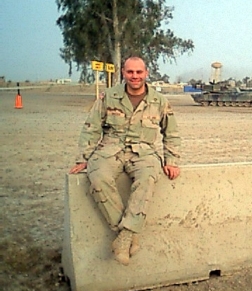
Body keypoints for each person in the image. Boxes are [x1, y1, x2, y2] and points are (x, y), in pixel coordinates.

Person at [69, 56, 181, 266]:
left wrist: (171, 160)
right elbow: (91, 127)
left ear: (146, 73)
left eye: (139, 72)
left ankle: (125, 236)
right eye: (130, 72)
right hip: (110, 149)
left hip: (144, 151)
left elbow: (172, 132)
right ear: (123, 73)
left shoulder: (159, 101)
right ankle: (128, 234)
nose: (135, 76)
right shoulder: (108, 97)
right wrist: (84, 158)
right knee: (98, 178)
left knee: (147, 178)